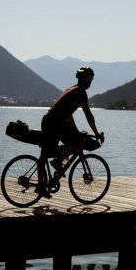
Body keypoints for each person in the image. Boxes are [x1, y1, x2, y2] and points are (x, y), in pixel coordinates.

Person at [36, 66, 104, 198]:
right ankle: (58, 161)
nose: (91, 82)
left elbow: (69, 114)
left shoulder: (71, 89)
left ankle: (40, 186)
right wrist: (96, 133)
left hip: (48, 119)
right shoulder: (80, 93)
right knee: (81, 141)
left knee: (44, 155)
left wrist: (75, 132)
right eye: (91, 79)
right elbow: (88, 115)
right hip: (57, 122)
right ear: (87, 80)